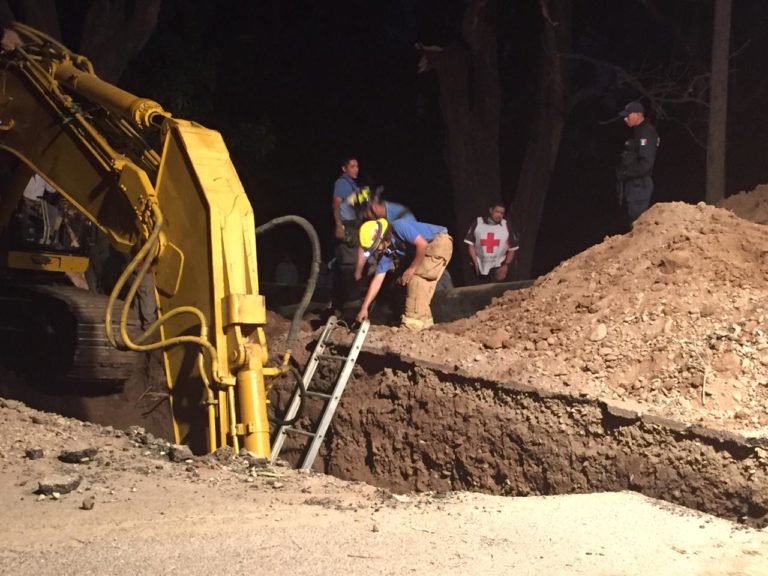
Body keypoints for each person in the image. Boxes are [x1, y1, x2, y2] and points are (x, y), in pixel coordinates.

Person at [356, 217, 452, 332]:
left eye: (375, 248)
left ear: (381, 238)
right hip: (423, 250)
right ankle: (425, 323)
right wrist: (364, 307)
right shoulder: (387, 252)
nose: (376, 251)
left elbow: (422, 245)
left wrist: (412, 269)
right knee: (402, 282)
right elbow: (377, 280)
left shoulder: (399, 227)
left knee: (415, 278)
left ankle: (412, 324)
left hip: (438, 242)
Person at [616, 101, 659, 223]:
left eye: (628, 115)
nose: (625, 119)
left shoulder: (646, 132)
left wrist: (627, 172)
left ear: (638, 114)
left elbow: (646, 163)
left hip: (640, 185)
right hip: (635, 184)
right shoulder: (639, 131)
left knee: (637, 221)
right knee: (634, 220)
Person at [330, 156, 362, 317]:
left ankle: (339, 308)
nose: (356, 169)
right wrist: (338, 224)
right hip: (347, 228)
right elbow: (336, 203)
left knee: (351, 266)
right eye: (352, 166)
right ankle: (346, 310)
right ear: (344, 168)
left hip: (354, 228)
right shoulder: (342, 183)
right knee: (348, 267)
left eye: (357, 166)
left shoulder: (353, 186)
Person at [464, 202, 519, 283]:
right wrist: (475, 262)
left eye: (502, 213)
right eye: (497, 212)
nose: (499, 215)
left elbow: (512, 248)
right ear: (491, 210)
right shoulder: (478, 222)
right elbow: (470, 244)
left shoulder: (506, 225)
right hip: (479, 265)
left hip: (498, 266)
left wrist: (506, 265)